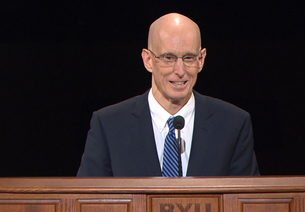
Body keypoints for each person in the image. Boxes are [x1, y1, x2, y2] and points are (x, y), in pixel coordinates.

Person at [77, 13, 259, 177]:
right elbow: (87, 205)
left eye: (188, 58)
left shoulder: (233, 124)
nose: (180, 71)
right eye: (168, 58)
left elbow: (246, 206)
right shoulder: (109, 125)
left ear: (201, 59)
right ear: (148, 60)